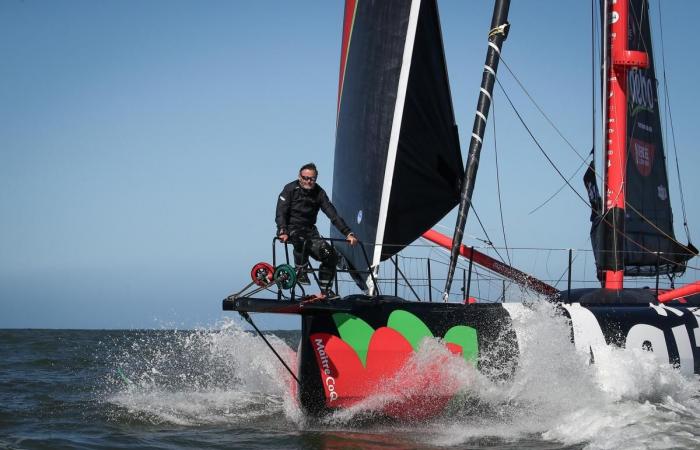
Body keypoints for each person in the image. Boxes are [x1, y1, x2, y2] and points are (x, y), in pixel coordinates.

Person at [275, 163, 358, 288]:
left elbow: (333, 215)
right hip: (291, 230)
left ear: (315, 179)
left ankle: (325, 291)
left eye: (311, 179)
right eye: (305, 178)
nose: (308, 181)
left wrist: (348, 233)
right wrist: (282, 230)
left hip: (310, 231)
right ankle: (301, 271)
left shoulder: (319, 193)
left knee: (331, 257)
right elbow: (280, 213)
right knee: (300, 239)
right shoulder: (289, 189)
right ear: (299, 176)